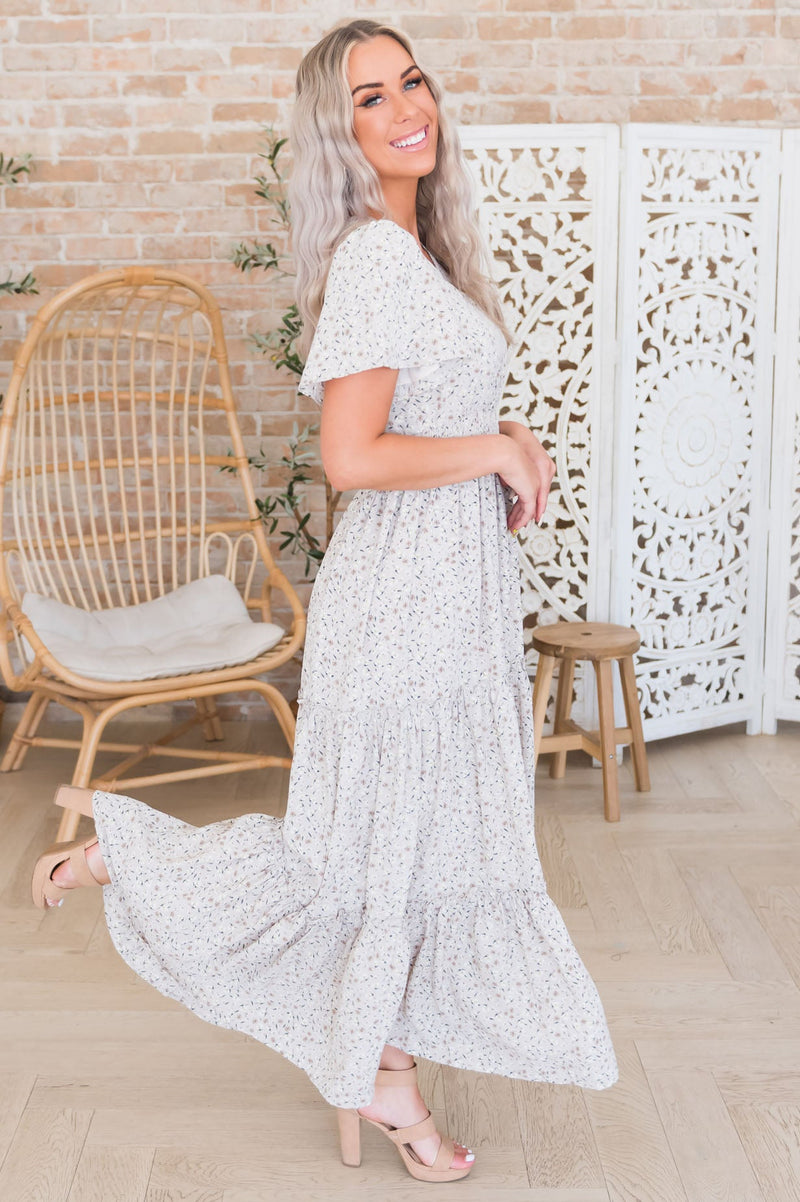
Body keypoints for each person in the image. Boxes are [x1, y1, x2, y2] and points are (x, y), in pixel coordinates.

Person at [30, 17, 619, 1185]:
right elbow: (350, 457)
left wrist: (504, 432)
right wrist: (492, 453)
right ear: (335, 133)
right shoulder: (372, 261)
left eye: (411, 82)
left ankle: (380, 1063)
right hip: (401, 608)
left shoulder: (419, 255)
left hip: (452, 598)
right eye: (369, 98)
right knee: (363, 861)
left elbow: (421, 419)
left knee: (418, 850)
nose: (407, 108)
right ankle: (136, 865)